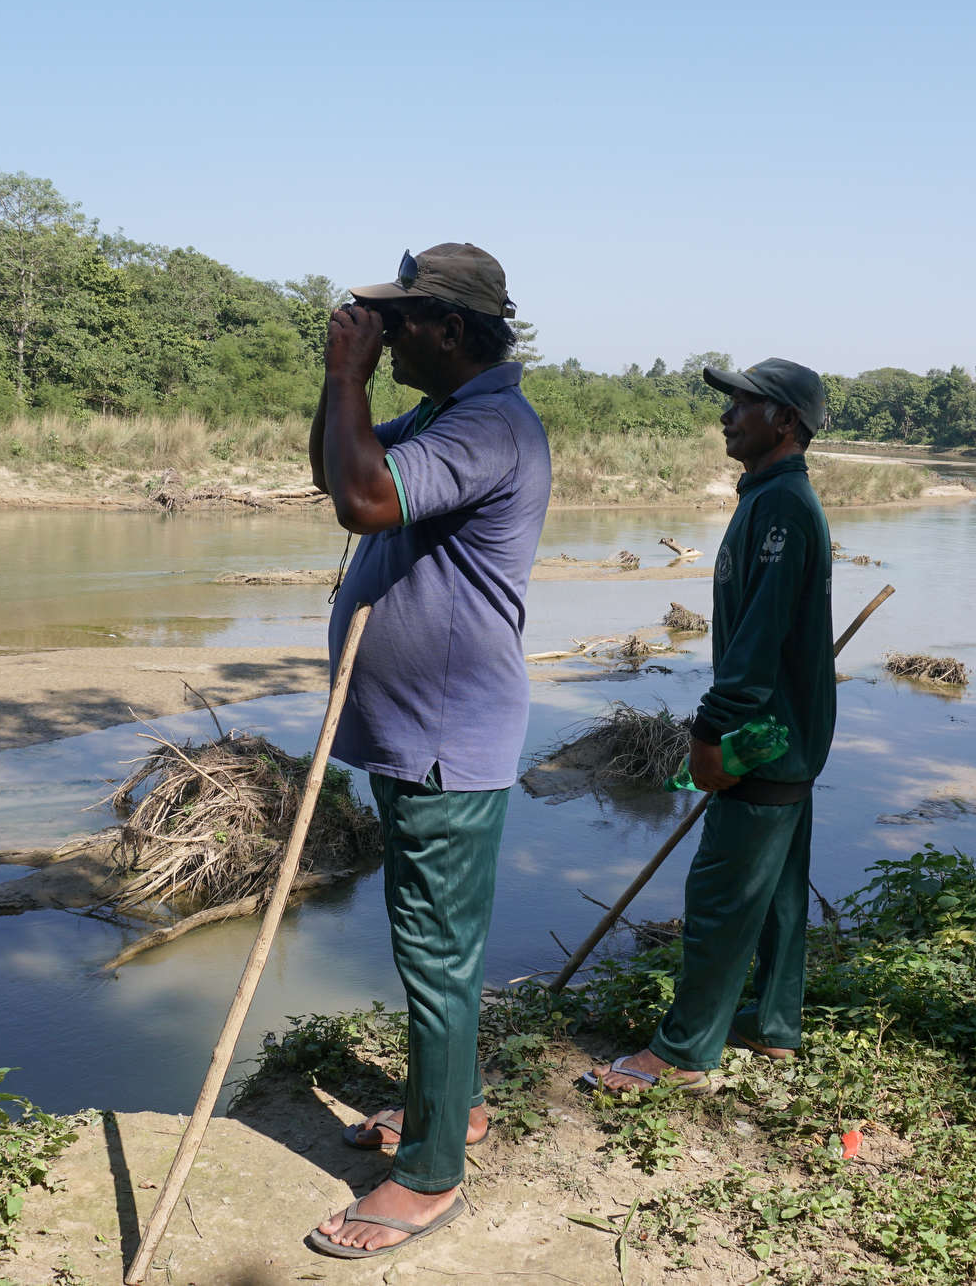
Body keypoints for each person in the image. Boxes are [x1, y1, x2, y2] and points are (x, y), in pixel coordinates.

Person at [304, 244, 551, 1258]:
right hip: (419, 733)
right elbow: (337, 468)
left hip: (444, 741)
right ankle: (459, 1106)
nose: (388, 333)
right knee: (432, 948)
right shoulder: (451, 414)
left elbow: (365, 501)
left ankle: (429, 1172)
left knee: (434, 955)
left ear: (450, 328)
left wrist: (344, 379)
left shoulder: (490, 423)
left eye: (401, 320)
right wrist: (343, 390)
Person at [584, 358, 835, 1094]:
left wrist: (708, 733)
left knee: (721, 897)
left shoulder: (782, 507)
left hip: (761, 741)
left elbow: (757, 640)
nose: (726, 416)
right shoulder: (770, 499)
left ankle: (685, 1051)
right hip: (789, 738)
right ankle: (773, 1025)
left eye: (743, 404)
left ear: (784, 422)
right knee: (781, 890)